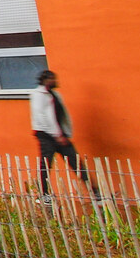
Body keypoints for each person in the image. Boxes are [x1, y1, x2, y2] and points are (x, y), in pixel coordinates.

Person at [30, 70, 94, 200]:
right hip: (46, 135)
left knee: (75, 162)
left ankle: (95, 192)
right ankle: (44, 194)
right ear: (45, 80)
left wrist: (63, 133)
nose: (55, 81)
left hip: (60, 134)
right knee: (46, 164)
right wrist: (56, 134)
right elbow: (41, 116)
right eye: (52, 79)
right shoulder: (38, 95)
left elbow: (61, 115)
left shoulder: (55, 94)